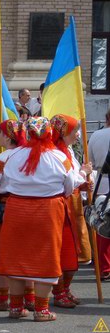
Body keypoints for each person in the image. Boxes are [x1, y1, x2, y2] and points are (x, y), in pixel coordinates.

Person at [0, 117, 74, 322]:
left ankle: (15, 307)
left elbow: (6, 180)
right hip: (47, 211)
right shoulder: (59, 156)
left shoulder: (12, 156)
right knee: (45, 259)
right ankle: (41, 310)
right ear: (49, 133)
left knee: (15, 258)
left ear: (28, 133)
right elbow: (69, 186)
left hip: (17, 209)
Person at [0, 120, 35, 312]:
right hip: (33, 209)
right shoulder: (35, 155)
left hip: (6, 208)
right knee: (27, 253)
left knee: (1, 253)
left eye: (0, 133)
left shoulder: (2, 158)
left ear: (8, 136)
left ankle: (3, 298)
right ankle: (30, 297)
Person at [50, 114, 93, 308]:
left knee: (77, 249)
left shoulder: (68, 151)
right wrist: (83, 174)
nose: (77, 135)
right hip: (62, 205)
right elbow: (66, 182)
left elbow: (74, 179)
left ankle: (65, 289)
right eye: (74, 131)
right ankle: (58, 292)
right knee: (63, 250)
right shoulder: (54, 153)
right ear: (63, 133)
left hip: (74, 204)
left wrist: (84, 183)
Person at [88, 108, 110, 281]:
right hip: (103, 180)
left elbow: (91, 162)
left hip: (102, 183)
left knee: (103, 227)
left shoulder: (96, 135)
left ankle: (104, 267)